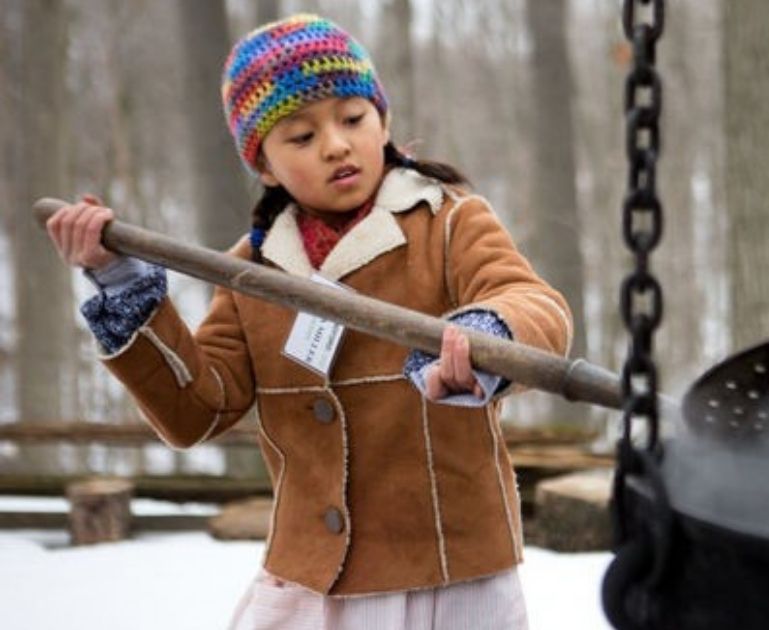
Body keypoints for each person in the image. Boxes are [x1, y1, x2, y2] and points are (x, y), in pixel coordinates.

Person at [44, 13, 572, 630]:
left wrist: (490, 332)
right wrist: (123, 285)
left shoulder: (450, 223)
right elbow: (197, 409)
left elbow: (533, 303)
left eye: (353, 118)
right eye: (300, 136)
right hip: (314, 578)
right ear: (263, 165)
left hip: (450, 570)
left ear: (384, 120)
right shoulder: (251, 271)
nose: (336, 145)